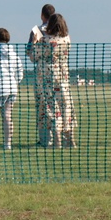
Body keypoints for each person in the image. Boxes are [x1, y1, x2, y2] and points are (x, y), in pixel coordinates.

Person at [31, 13, 76, 147]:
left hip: (46, 78)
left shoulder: (44, 39)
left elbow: (33, 56)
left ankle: (57, 140)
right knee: (66, 106)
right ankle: (69, 138)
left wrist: (34, 42)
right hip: (63, 77)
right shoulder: (66, 38)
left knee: (52, 108)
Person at [27, 4, 55, 145]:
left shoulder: (36, 31)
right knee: (58, 105)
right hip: (59, 74)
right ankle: (60, 137)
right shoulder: (61, 31)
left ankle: (45, 139)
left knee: (43, 106)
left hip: (41, 74)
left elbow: (30, 54)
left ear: (42, 15)